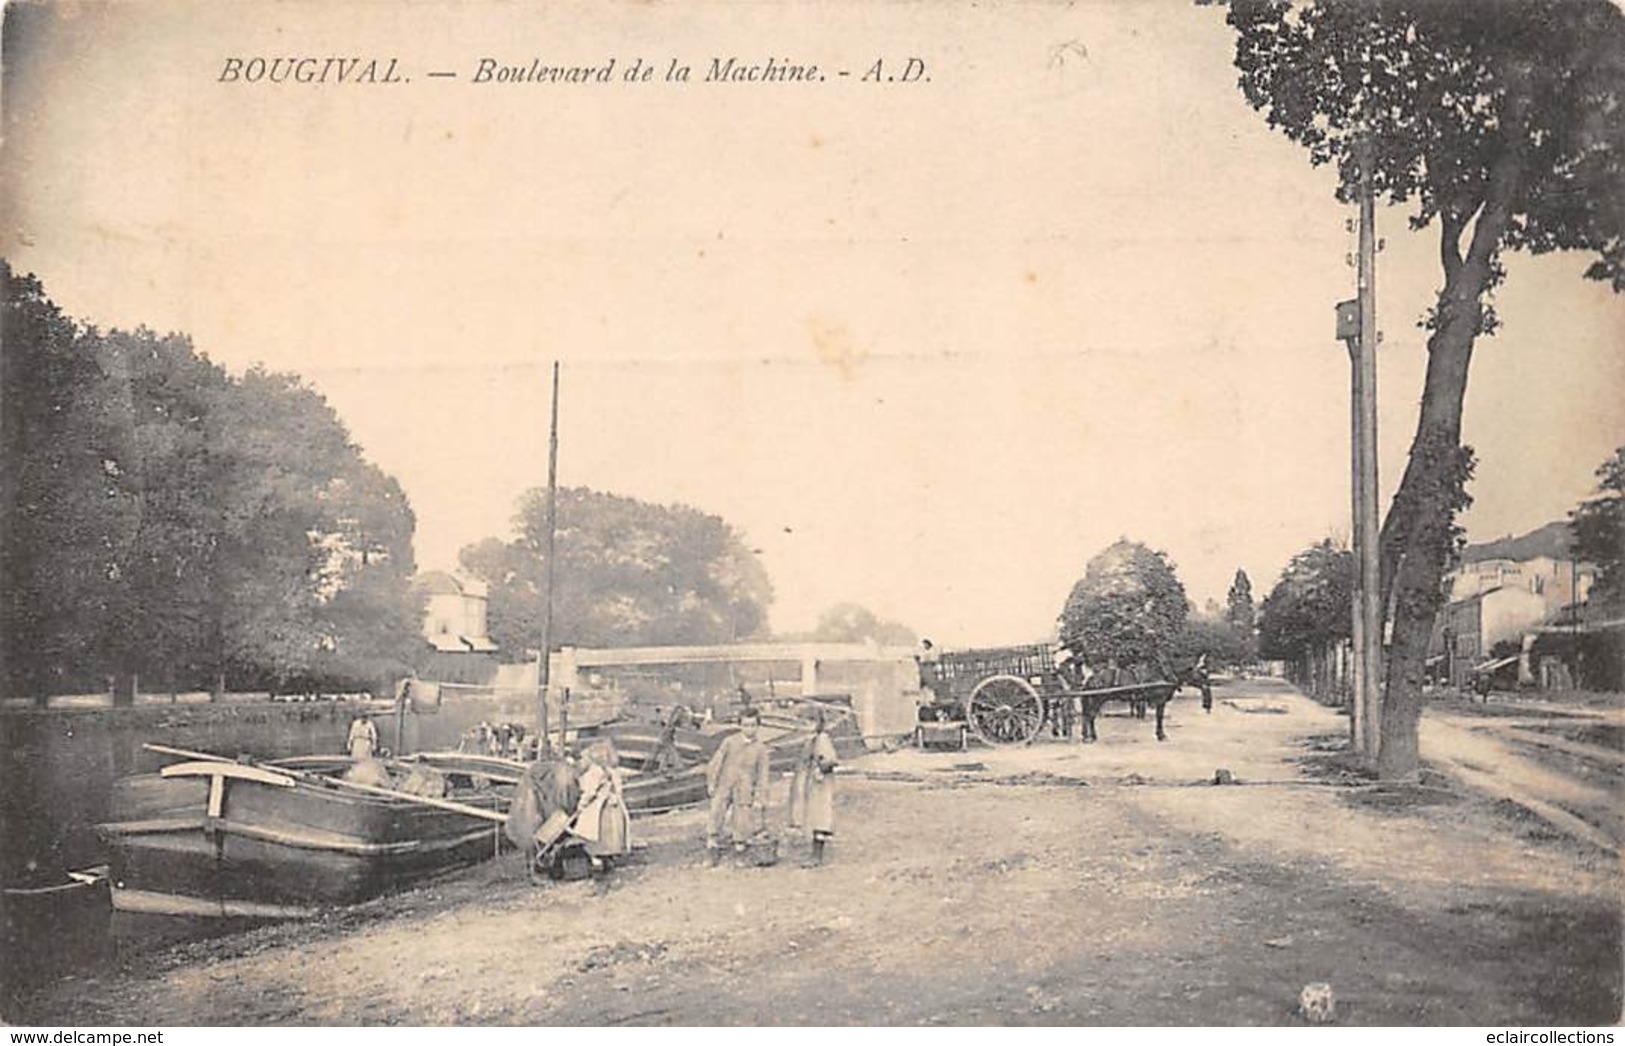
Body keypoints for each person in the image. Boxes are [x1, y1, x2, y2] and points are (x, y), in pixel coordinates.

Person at [704, 707, 772, 867]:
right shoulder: (729, 742)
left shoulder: (761, 749)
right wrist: (712, 783)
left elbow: (763, 775)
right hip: (724, 784)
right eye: (746, 725)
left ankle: (740, 852)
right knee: (716, 814)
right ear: (740, 726)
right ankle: (712, 851)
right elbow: (715, 763)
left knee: (742, 819)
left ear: (758, 726)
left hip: (745, 788)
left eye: (753, 725)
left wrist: (762, 797)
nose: (749, 729)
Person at [788, 711, 839, 865]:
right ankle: (813, 853)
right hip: (811, 784)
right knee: (813, 816)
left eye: (810, 722)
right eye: (803, 723)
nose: (807, 726)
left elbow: (831, 760)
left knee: (820, 818)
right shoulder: (810, 740)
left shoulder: (822, 739)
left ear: (818, 724)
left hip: (820, 785)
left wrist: (821, 768)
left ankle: (817, 856)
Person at [575, 740, 632, 869]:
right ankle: (609, 857)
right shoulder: (613, 772)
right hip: (614, 807)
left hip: (600, 809)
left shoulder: (594, 772)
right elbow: (619, 790)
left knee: (596, 834)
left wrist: (581, 805)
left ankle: (597, 861)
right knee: (612, 833)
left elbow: (590, 792)